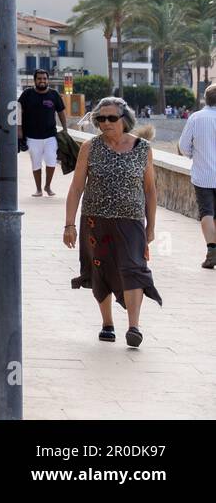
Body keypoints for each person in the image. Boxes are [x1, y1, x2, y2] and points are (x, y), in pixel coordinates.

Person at [64, 97, 161, 347]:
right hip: (95, 219)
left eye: (111, 118)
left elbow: (150, 190)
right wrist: (69, 224)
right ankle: (107, 323)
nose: (105, 123)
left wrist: (151, 225)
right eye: (101, 119)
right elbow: (76, 188)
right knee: (100, 270)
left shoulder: (142, 148)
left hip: (131, 221)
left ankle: (134, 326)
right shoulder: (90, 147)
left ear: (124, 120)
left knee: (134, 269)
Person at [178, 83, 216, 269]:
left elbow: (184, 147)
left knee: (207, 213)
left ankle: (211, 252)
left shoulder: (196, 118)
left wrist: (196, 154)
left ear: (205, 99)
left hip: (203, 176)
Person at [19, 69, 69, 198]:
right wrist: (19, 129)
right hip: (32, 136)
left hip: (50, 135)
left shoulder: (54, 94)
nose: (42, 81)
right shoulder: (27, 94)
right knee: (36, 163)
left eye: (45, 79)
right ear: (35, 80)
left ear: (48, 80)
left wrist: (65, 128)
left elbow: (61, 112)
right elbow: (18, 111)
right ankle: (38, 189)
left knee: (51, 161)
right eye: (39, 79)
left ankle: (48, 186)